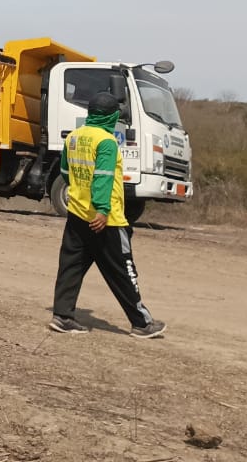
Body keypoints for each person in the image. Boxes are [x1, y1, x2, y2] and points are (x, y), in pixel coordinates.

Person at [50, 91, 167, 338]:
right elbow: (103, 177)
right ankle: (142, 323)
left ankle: (62, 316)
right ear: (111, 117)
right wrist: (102, 209)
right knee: (123, 270)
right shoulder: (106, 141)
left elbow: (65, 172)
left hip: (77, 213)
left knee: (71, 266)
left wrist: (80, 195)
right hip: (106, 220)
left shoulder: (74, 136)